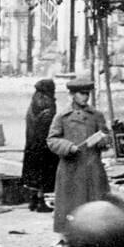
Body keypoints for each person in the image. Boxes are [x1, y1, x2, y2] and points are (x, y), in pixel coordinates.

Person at [47, 77, 112, 234]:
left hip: (93, 168)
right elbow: (52, 139)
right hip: (70, 169)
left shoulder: (96, 115)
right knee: (71, 207)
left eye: (87, 94)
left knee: (95, 207)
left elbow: (106, 136)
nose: (85, 97)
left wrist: (103, 140)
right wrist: (68, 147)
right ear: (73, 95)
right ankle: (70, 239)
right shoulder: (62, 117)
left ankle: (96, 239)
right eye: (82, 94)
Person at [20, 78, 59, 213]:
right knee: (46, 174)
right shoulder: (48, 104)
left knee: (34, 174)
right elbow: (50, 126)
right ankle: (43, 203)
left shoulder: (34, 101)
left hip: (32, 145)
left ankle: (34, 201)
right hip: (45, 146)